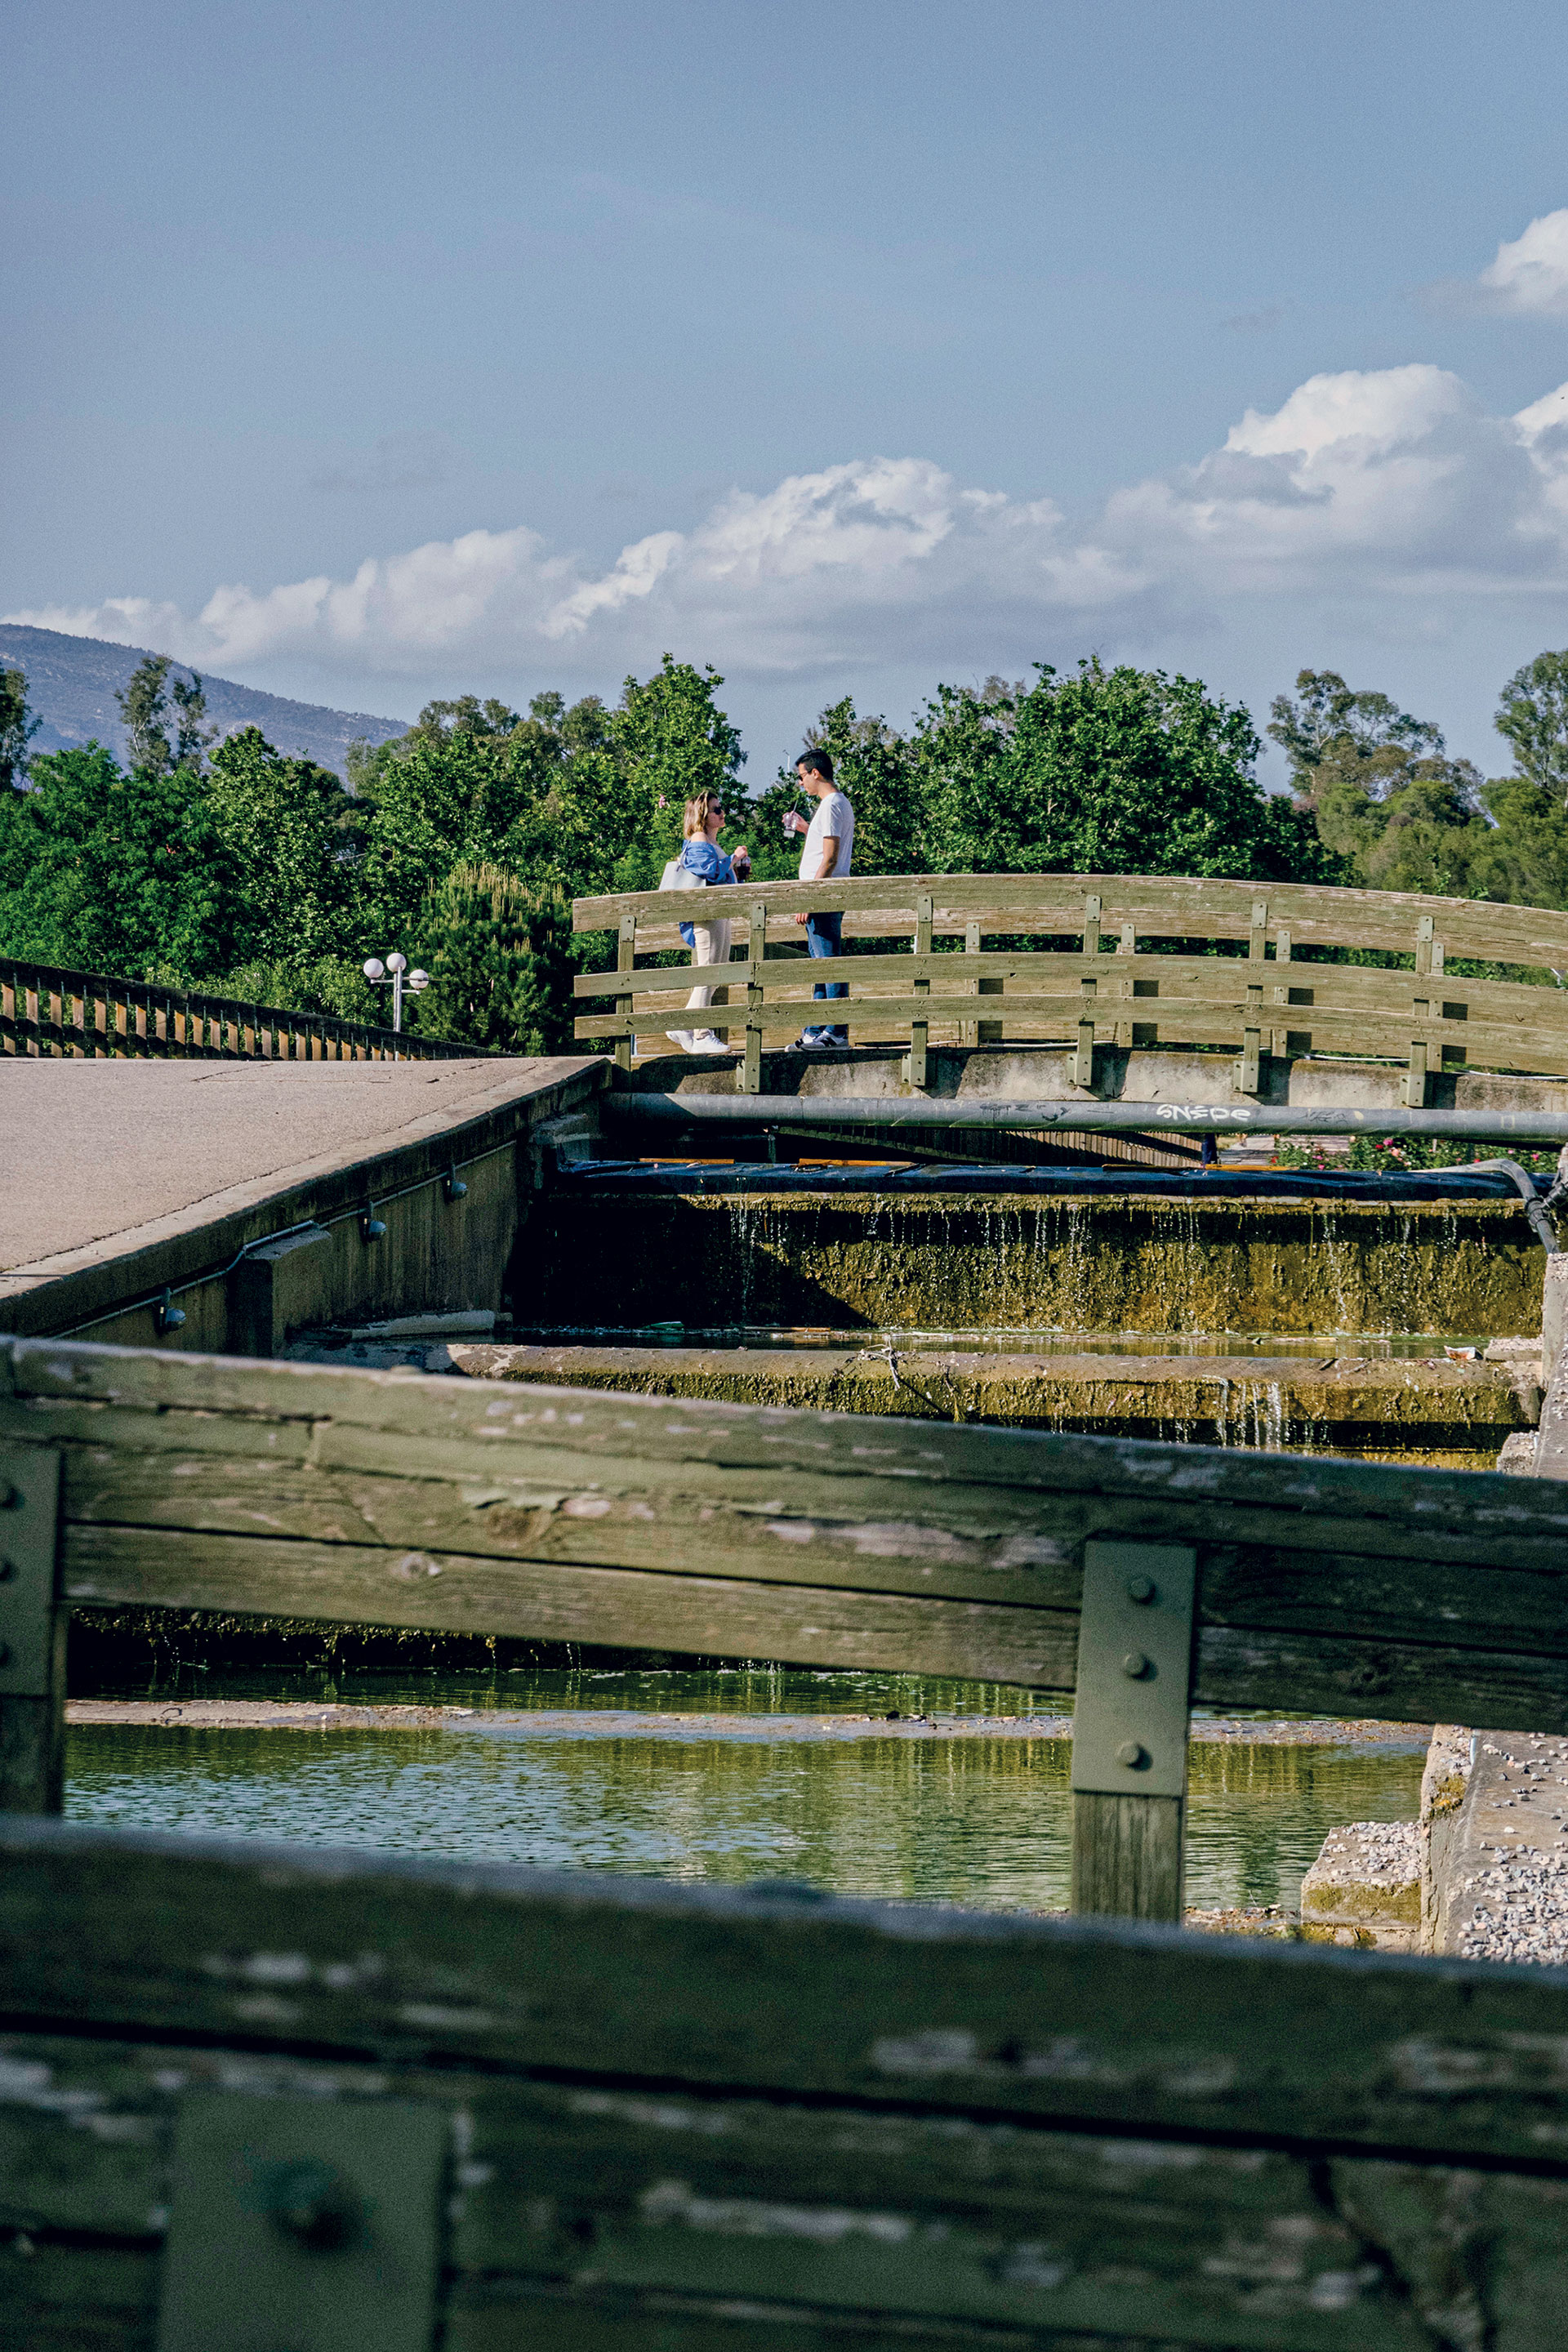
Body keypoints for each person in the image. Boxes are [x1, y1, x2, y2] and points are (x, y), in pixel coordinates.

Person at [664, 790, 750, 1054]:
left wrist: (736, 870)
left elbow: (720, 875)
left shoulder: (711, 842)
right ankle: (701, 1033)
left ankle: (683, 1024)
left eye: (720, 809)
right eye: (716, 810)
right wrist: (733, 858)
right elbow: (709, 872)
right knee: (709, 971)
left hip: (718, 913)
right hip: (706, 916)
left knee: (716, 971)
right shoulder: (699, 838)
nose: (722, 813)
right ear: (702, 814)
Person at [782, 747, 854, 1049]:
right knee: (820, 963)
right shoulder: (834, 805)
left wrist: (808, 900)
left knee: (828, 963)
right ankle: (815, 1029)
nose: (801, 784)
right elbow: (826, 841)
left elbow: (830, 858)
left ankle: (835, 1032)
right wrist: (803, 828)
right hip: (823, 894)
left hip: (823, 896)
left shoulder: (832, 804)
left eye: (802, 777)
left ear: (815, 772)